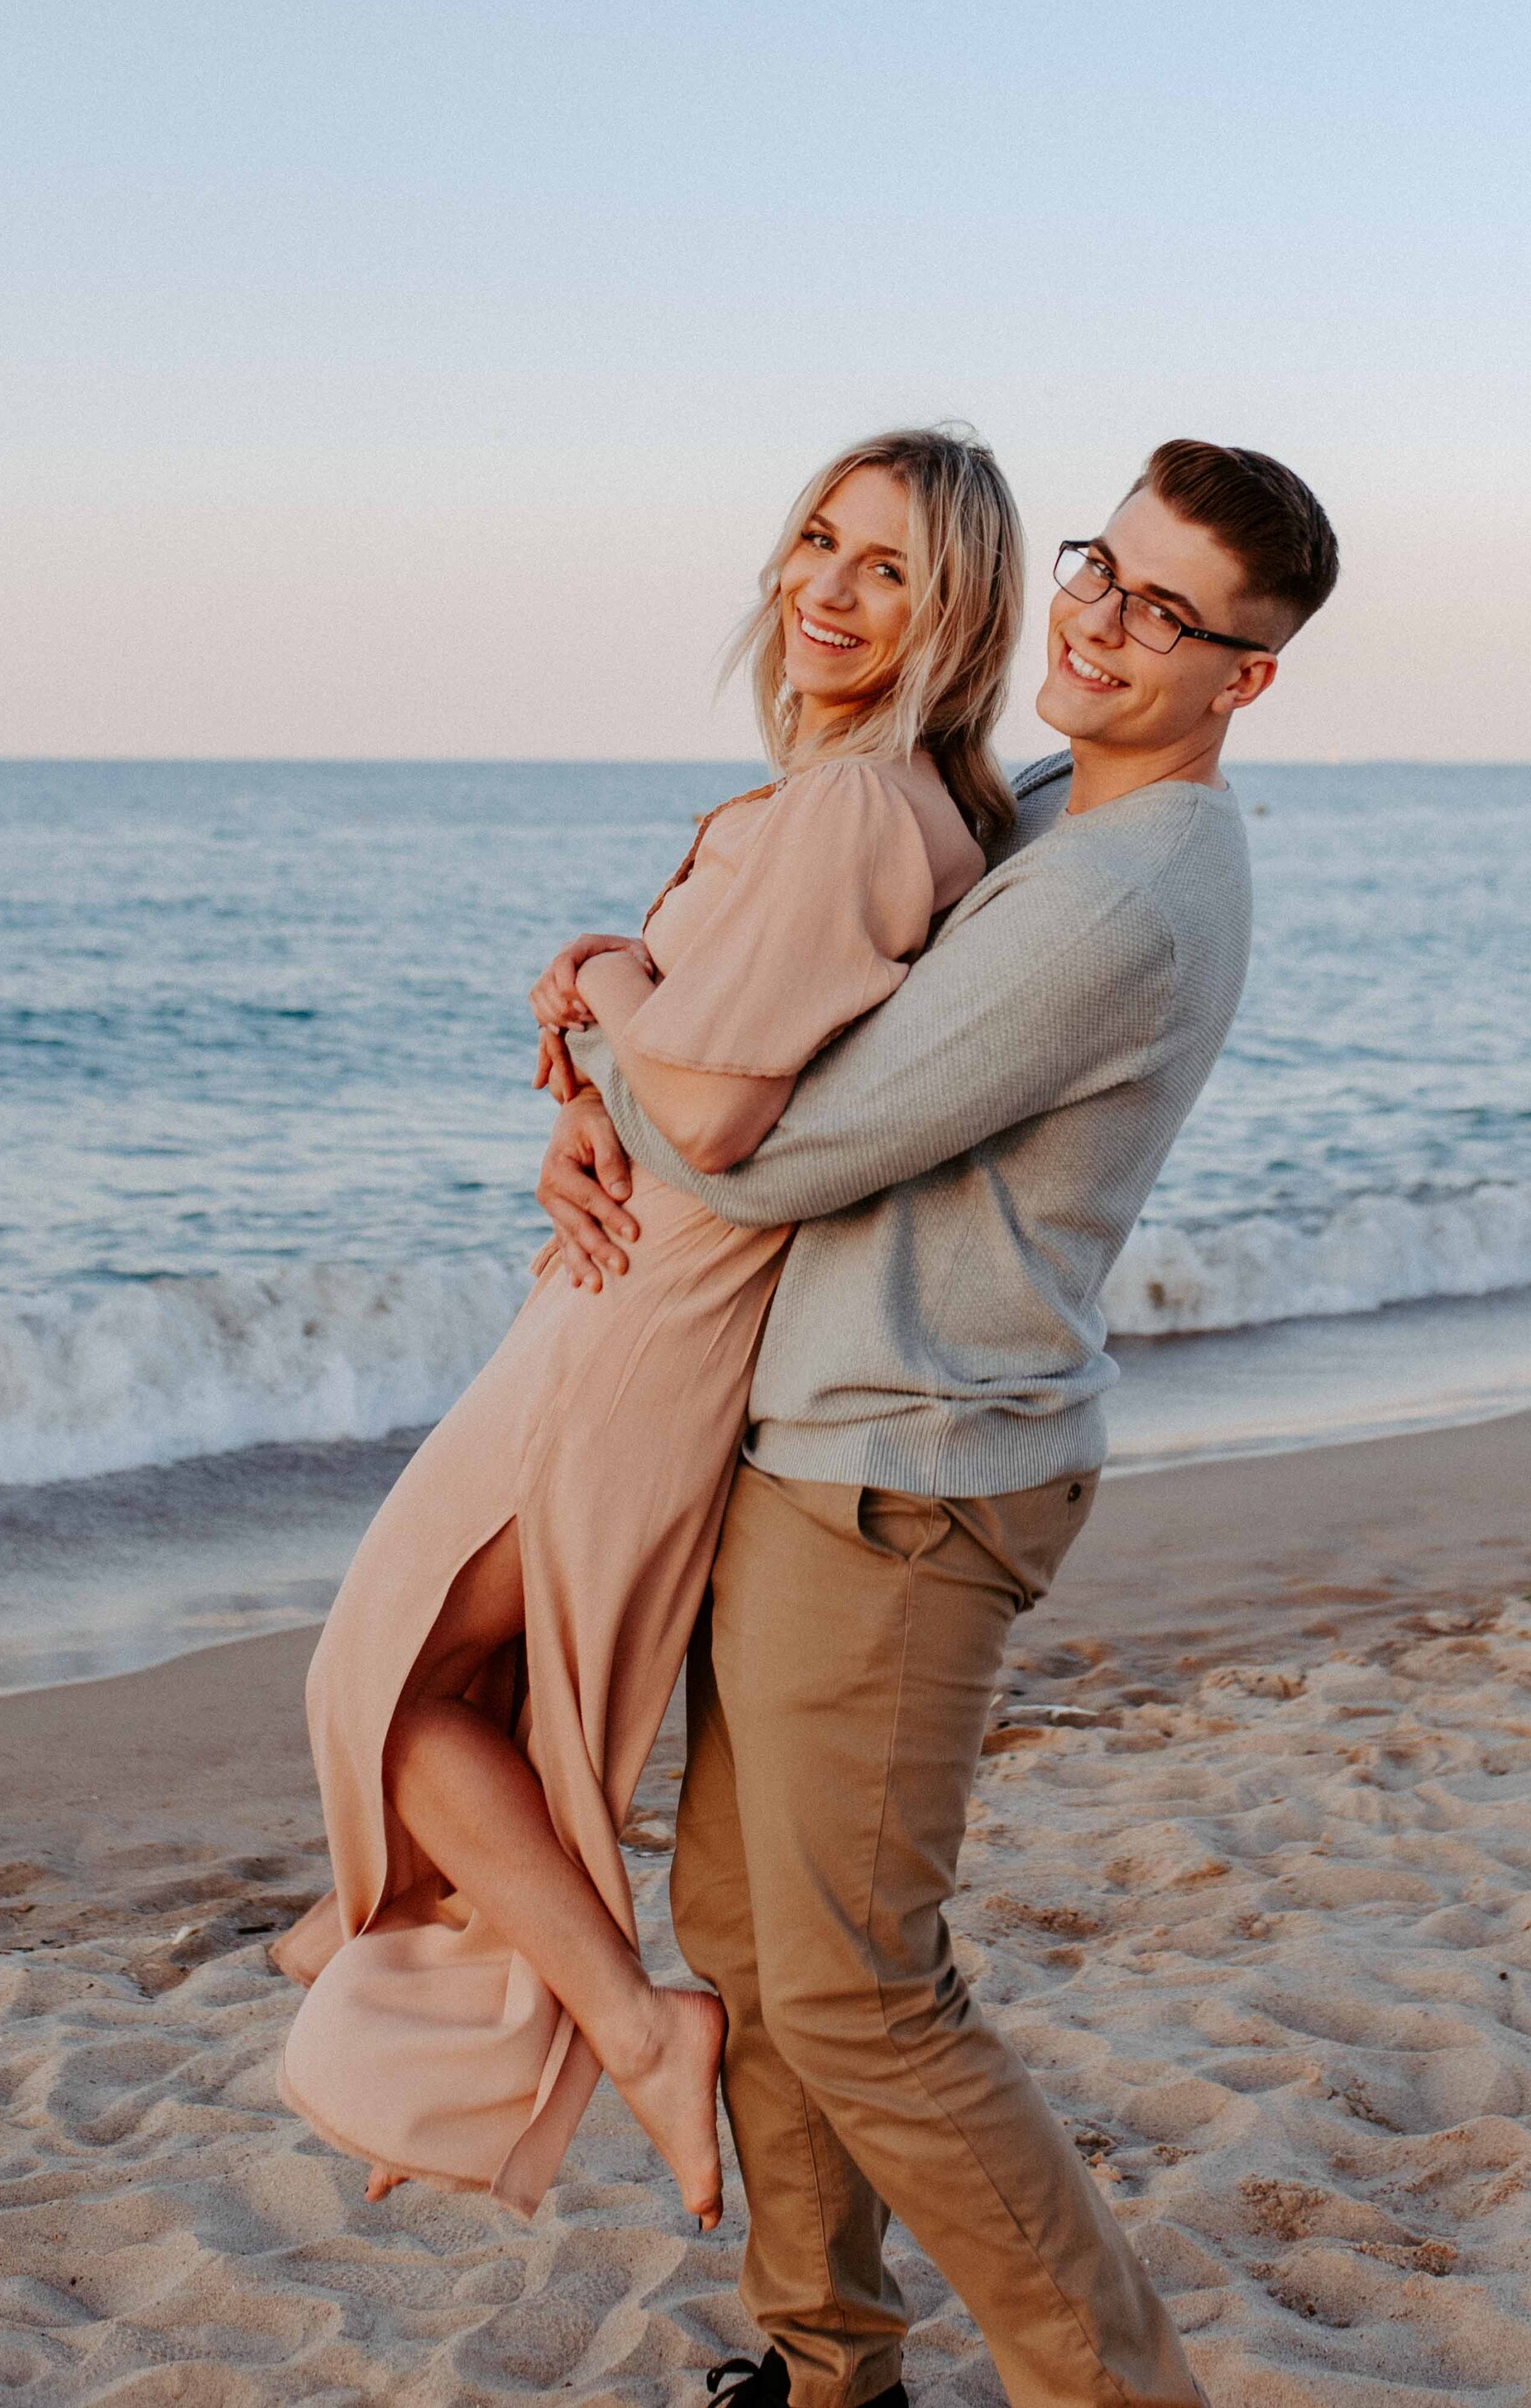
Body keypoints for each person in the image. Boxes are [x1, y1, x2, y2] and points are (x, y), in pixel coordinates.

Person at [538, 438, 1339, 2408]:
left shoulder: (1124, 894)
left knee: (862, 1992)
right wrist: (604, 1076)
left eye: (1168, 613)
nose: (1098, 618)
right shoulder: (1056, 809)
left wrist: (602, 990)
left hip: (906, 1474)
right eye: (1101, 566)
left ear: (1245, 674)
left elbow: (788, 1145)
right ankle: (830, 2376)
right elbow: (763, 1025)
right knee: (740, 1934)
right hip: (817, 1438)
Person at [270, 425, 1024, 2232]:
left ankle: (618, 2021)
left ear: (954, 612)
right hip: (618, 1299)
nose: (826, 590)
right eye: (816, 544)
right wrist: (593, 1071)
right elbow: (689, 1066)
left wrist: (594, 974)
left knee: (375, 1689)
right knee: (455, 1703)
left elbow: (720, 1102)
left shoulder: (855, 808)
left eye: (887, 569)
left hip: (636, 1325)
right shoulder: (851, 797)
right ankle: (443, 1993)